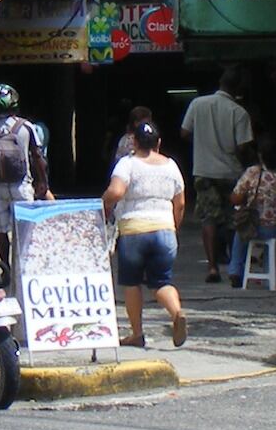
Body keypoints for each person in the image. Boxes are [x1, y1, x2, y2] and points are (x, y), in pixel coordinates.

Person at [101, 121, 187, 348]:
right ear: (158, 143)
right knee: (161, 282)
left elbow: (116, 191)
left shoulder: (127, 164)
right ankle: (176, 312)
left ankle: (137, 334)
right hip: (165, 230)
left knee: (132, 283)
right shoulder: (171, 166)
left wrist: (103, 204)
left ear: (134, 142)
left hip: (134, 230)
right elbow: (180, 203)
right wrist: (173, 227)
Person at [179, 67, 253, 276]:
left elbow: (184, 132)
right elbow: (243, 146)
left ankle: (212, 266)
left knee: (208, 219)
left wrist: (202, 143)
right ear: (237, 89)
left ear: (220, 83)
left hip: (204, 170)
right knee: (233, 218)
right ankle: (234, 265)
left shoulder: (198, 104)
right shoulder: (239, 112)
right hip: (230, 172)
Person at [0, 83, 50, 278]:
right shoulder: (26, 127)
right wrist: (43, 181)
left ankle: (5, 267)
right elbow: (38, 157)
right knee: (25, 228)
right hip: (21, 185)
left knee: (0, 231)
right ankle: (23, 267)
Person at [224, 141, 276, 286]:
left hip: (255, 227)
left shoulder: (253, 173)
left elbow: (235, 198)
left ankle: (235, 270)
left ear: (260, 156)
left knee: (241, 232)